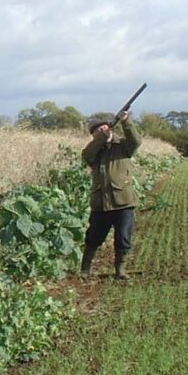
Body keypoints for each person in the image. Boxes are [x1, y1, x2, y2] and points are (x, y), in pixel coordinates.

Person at [79, 111, 142, 280]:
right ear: (94, 135)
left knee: (123, 238)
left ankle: (120, 270)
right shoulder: (93, 152)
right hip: (101, 203)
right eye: (98, 131)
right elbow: (87, 156)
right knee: (93, 237)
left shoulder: (123, 146)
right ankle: (85, 269)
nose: (103, 132)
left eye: (105, 129)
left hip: (123, 202)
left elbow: (136, 141)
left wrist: (126, 121)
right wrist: (100, 138)